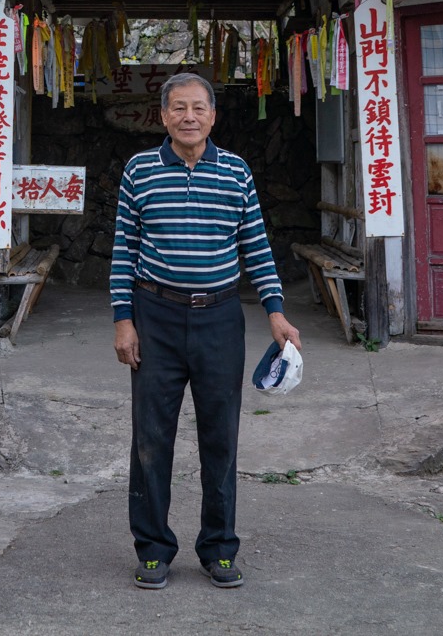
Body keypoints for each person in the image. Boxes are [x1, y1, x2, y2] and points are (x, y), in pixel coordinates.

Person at [110, 72, 301, 591]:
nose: (188, 116)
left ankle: (219, 548)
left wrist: (276, 311)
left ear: (213, 116)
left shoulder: (236, 172)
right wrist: (123, 320)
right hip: (155, 317)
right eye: (178, 108)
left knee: (222, 438)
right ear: (164, 115)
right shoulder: (140, 170)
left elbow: (257, 245)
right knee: (151, 439)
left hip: (220, 319)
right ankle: (152, 549)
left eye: (198, 108)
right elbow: (124, 249)